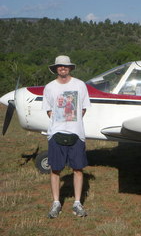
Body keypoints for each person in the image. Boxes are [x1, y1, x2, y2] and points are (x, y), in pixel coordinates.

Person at [42, 55, 91, 218]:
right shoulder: (49, 87)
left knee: (78, 169)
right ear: (56, 69)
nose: (63, 68)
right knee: (55, 169)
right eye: (60, 66)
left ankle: (77, 203)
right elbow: (49, 110)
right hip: (55, 133)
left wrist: (71, 121)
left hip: (76, 133)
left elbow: (83, 109)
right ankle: (56, 203)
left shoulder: (80, 85)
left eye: (65, 66)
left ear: (70, 68)